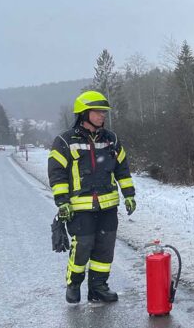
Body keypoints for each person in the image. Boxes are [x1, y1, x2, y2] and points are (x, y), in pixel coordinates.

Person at [48, 90, 136, 304]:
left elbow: (122, 169)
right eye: (97, 112)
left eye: (103, 112)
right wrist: (62, 202)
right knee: (83, 246)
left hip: (108, 206)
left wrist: (129, 195)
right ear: (84, 114)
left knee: (105, 249)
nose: (102, 116)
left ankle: (98, 287)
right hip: (79, 208)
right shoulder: (65, 141)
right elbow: (57, 173)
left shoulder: (111, 139)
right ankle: (74, 284)